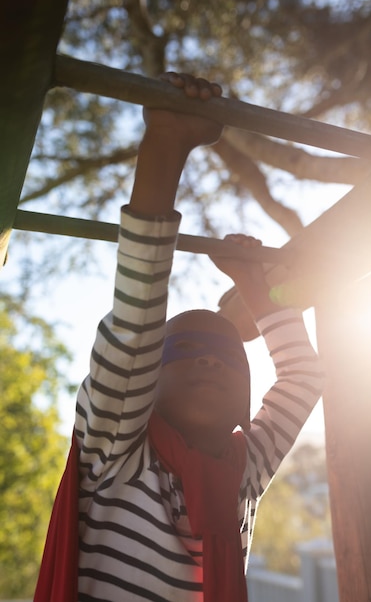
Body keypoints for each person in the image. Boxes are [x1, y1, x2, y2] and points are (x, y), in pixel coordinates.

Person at [35, 73, 324, 602]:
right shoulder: (117, 451)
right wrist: (166, 145)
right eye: (185, 351)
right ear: (146, 385)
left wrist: (258, 294)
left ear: (244, 398)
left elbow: (304, 377)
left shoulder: (242, 470)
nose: (210, 362)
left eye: (228, 359)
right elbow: (135, 323)